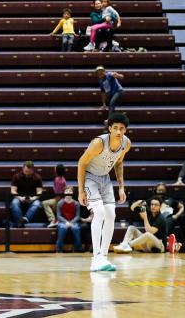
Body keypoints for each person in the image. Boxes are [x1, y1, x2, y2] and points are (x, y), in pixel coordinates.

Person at [77, 111, 132, 272]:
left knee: (111, 215)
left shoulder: (126, 144)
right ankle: (95, 259)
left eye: (121, 128)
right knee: (99, 213)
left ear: (125, 130)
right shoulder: (98, 143)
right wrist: (81, 191)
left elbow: (119, 163)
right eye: (115, 128)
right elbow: (81, 163)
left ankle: (104, 258)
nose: (118, 131)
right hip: (90, 178)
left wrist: (121, 187)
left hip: (105, 179)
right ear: (109, 128)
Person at [9, 160, 44, 227]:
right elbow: (13, 191)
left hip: (32, 198)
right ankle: (20, 221)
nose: (27, 173)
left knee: (37, 204)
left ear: (32, 170)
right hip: (19, 198)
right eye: (26, 171)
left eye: (29, 171)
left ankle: (25, 219)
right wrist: (19, 197)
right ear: (23, 169)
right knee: (14, 203)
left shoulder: (37, 177)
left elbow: (39, 192)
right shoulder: (16, 176)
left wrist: (33, 198)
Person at [54, 187, 83, 253]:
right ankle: (59, 249)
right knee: (63, 228)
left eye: (70, 191)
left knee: (76, 228)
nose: (68, 193)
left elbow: (78, 216)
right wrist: (66, 222)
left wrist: (71, 223)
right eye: (67, 191)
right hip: (63, 222)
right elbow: (58, 216)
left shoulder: (76, 203)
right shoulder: (60, 203)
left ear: (72, 193)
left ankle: (78, 248)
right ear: (64, 193)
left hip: (73, 222)